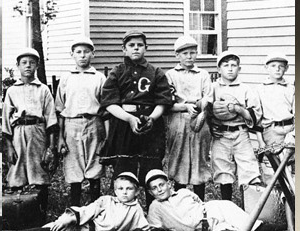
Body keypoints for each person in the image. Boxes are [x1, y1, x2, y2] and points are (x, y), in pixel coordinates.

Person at [97, 30, 174, 187]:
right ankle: (125, 207)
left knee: (152, 168)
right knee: (124, 168)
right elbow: (109, 102)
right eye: (131, 45)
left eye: (140, 45)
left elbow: (163, 101)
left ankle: (153, 208)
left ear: (146, 48)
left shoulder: (155, 72)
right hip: (123, 122)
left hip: (150, 123)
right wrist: (129, 118)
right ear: (124, 49)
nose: (136, 48)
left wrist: (152, 118)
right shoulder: (117, 71)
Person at [2, 172, 152, 231]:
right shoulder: (107, 200)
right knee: (53, 229)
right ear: (115, 190)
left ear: (137, 191)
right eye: (120, 188)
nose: (124, 192)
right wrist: (70, 219)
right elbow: (89, 210)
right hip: (79, 224)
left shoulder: (136, 210)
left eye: (129, 189)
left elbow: (142, 230)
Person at [55, 37, 106, 205]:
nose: (82, 55)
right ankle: (75, 209)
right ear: (72, 54)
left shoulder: (99, 77)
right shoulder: (66, 78)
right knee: (73, 165)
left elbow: (105, 109)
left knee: (95, 164)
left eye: (86, 52)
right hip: (71, 124)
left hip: (94, 123)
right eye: (78, 52)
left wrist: (105, 136)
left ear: (93, 54)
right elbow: (60, 109)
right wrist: (61, 137)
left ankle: (95, 208)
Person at [162, 35, 214, 199]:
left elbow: (209, 97)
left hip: (199, 119)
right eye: (185, 53)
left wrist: (201, 104)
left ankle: (200, 202)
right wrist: (184, 106)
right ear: (177, 55)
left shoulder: (203, 74)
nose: (189, 56)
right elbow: (167, 102)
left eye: (192, 52)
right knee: (179, 160)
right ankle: (180, 200)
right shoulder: (171, 75)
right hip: (179, 119)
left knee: (199, 159)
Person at [143, 169, 252, 231]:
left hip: (211, 211)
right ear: (151, 192)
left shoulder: (183, 192)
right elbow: (152, 228)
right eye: (154, 188)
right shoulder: (155, 207)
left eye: (161, 185)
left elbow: (200, 203)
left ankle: (259, 227)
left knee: (230, 211)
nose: (159, 189)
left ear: (169, 184)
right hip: (205, 226)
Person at [205, 52, 259, 202]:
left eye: (233, 65)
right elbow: (206, 110)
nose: (230, 69)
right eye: (225, 65)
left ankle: (250, 210)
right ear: (219, 69)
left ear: (239, 69)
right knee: (223, 172)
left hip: (240, 133)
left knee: (248, 171)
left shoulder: (245, 89)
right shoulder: (213, 87)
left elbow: (255, 116)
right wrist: (211, 125)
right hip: (221, 135)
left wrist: (239, 109)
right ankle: (228, 208)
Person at [3, 48, 57, 193]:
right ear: (18, 66)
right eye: (24, 63)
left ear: (37, 66)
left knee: (39, 168)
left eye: (32, 63)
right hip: (18, 132)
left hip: (38, 131)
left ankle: (40, 208)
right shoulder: (12, 91)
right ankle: (19, 206)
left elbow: (51, 118)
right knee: (17, 167)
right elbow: (6, 120)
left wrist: (51, 147)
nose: (28, 66)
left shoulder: (43, 90)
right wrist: (8, 146)